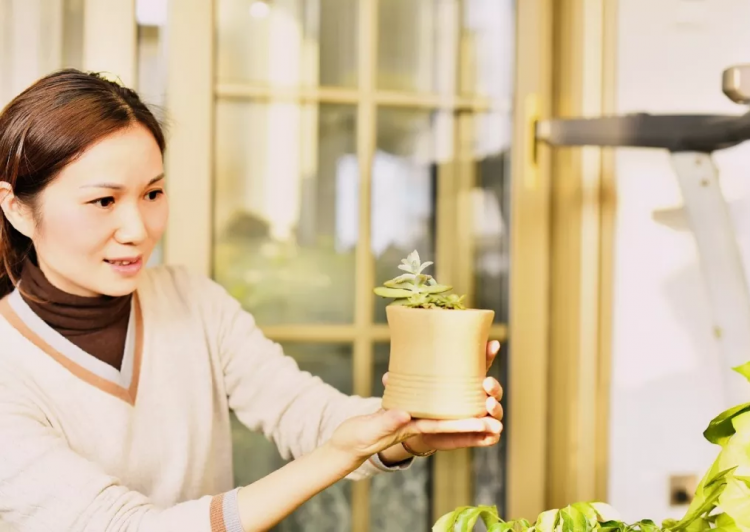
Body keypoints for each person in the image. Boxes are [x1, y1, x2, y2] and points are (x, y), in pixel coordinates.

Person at [0, 69, 504, 532]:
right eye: (103, 201)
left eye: (152, 194)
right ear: (17, 208)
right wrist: (336, 454)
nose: (137, 229)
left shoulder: (191, 300)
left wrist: (411, 427)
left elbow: (302, 412)